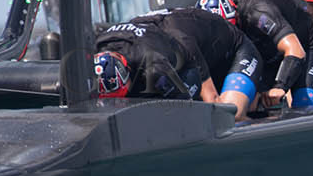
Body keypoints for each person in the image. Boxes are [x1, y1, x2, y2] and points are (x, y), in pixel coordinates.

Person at [92, 7, 262, 119]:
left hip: (233, 50)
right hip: (178, 45)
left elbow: (205, 102)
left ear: (127, 68)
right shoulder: (98, 46)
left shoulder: (156, 65)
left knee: (228, 115)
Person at [199, 0, 313, 108]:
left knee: (305, 103)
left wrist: (280, 86)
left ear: (236, 16)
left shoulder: (257, 12)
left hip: (301, 43)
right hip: (264, 55)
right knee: (247, 104)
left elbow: (296, 51)